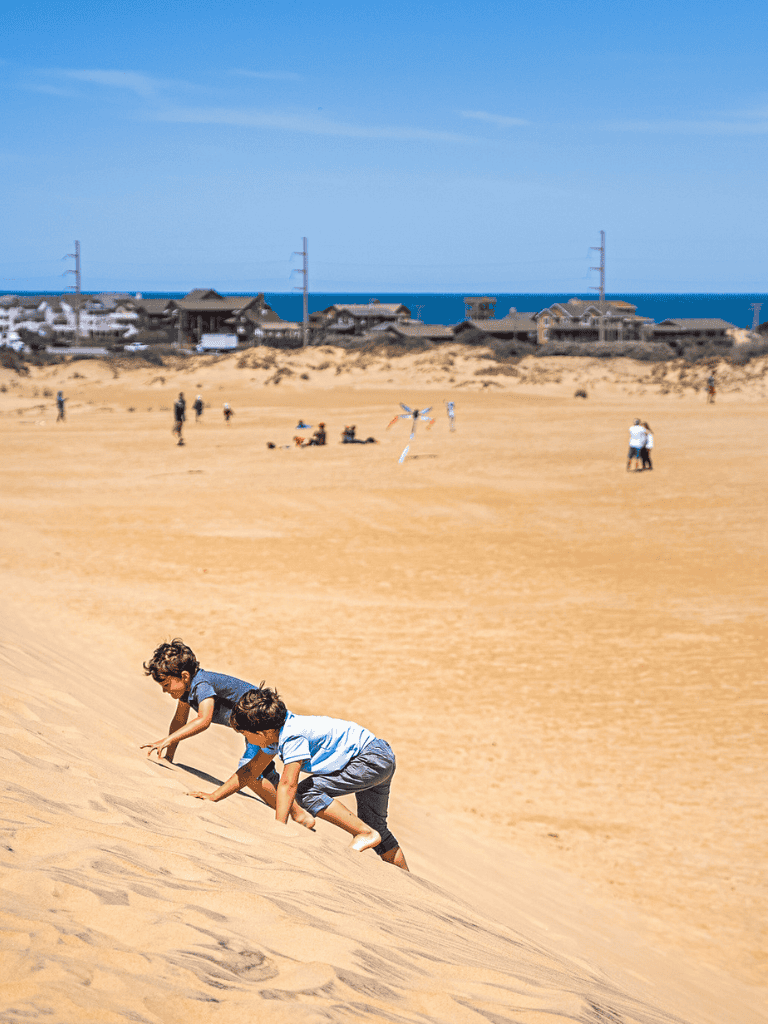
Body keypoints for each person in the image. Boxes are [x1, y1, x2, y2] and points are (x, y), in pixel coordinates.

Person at [228, 686, 409, 871]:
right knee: (377, 826)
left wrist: (278, 829)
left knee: (306, 792)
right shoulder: (276, 735)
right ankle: (409, 885)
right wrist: (214, 796)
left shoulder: (292, 735)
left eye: (245, 735)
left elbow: (288, 783)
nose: (247, 741)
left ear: (261, 733)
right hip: (380, 755)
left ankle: (364, 833)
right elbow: (250, 771)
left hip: (369, 759)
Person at [140, 639, 313, 828]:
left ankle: (297, 814)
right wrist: (168, 757)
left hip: (264, 725)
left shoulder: (201, 685)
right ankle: (297, 812)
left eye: (166, 684)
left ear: (184, 676)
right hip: (254, 731)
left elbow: (203, 720)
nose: (164, 690)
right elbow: (179, 721)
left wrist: (167, 740)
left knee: (250, 772)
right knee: (263, 772)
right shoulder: (187, 691)